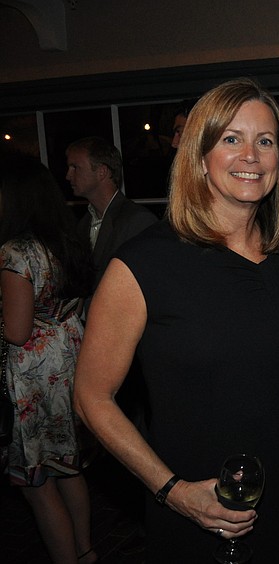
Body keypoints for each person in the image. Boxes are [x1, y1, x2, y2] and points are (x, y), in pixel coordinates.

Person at [73, 78, 279, 562]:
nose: (251, 156)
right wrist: (173, 491)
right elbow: (91, 397)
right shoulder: (143, 265)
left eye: (265, 141)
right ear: (199, 157)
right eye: (231, 139)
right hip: (189, 496)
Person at [0, 157, 97, 563]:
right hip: (68, 365)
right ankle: (87, 552)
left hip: (33, 380)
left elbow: (17, 331)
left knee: (37, 485)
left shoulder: (15, 251)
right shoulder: (66, 239)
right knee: (68, 469)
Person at [65, 136, 158, 293]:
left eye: (75, 167)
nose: (68, 175)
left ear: (102, 172)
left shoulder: (137, 221)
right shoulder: (83, 224)